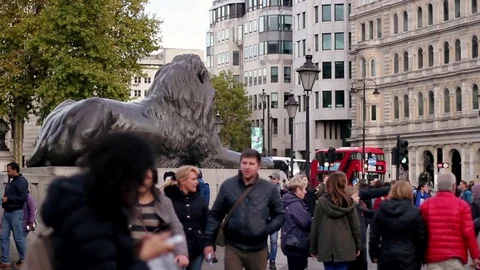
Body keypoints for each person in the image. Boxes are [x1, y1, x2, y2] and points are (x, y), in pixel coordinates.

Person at [40, 132, 175, 269]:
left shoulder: (94, 204)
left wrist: (134, 250)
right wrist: (144, 256)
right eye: (140, 176)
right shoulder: (92, 217)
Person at [203, 149, 285, 270]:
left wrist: (266, 229)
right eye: (244, 163)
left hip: (258, 247)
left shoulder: (269, 189)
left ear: (258, 166)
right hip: (234, 245)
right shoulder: (228, 186)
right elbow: (215, 215)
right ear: (240, 163)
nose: (247, 167)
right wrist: (209, 242)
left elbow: (280, 214)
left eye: (251, 164)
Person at [131, 168, 189, 268]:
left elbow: (177, 228)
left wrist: (182, 253)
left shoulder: (163, 201)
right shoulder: (121, 200)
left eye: (147, 177)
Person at [420, 172, 480, 269]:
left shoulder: (425, 205)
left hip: (433, 258)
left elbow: (421, 233)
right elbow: (468, 233)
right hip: (455, 257)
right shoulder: (463, 206)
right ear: (453, 186)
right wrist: (475, 256)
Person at [369, 180, 426, 270]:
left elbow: (374, 235)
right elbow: (421, 238)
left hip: (386, 255)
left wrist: (374, 254)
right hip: (410, 256)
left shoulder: (381, 210)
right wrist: (422, 256)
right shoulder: (415, 212)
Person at [310, 171, 361, 270]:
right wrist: (358, 246)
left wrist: (313, 247)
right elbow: (355, 227)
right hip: (345, 244)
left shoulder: (322, 202)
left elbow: (315, 226)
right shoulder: (349, 202)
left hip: (325, 244)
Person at [164, 166, 209, 270]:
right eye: (193, 179)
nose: (197, 182)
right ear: (182, 181)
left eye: (196, 178)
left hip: (197, 248)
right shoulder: (168, 199)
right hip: (175, 250)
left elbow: (206, 223)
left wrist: (208, 243)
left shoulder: (200, 199)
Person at [0, 162, 29, 269]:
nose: (8, 173)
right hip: (7, 213)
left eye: (9, 171)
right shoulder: (10, 181)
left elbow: (24, 198)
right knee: (3, 237)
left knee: (18, 238)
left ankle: (24, 260)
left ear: (15, 170)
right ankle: (5, 261)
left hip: (16, 213)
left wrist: (9, 199)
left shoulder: (21, 181)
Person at [280, 175, 311, 270]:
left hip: (291, 242)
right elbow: (306, 222)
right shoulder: (295, 204)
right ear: (298, 190)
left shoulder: (289, 201)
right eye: (304, 189)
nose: (306, 192)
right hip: (297, 243)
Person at [345, 186, 375, 270]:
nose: (358, 197)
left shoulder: (357, 207)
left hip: (361, 245)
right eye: (355, 196)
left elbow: (369, 213)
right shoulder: (348, 210)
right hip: (353, 246)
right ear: (349, 197)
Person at [267, 172, 283, 270]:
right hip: (265, 218)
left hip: (274, 219)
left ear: (278, 180)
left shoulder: (281, 191)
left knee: (273, 241)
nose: (271, 180)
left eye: (273, 179)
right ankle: (267, 255)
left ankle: (272, 261)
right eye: (271, 178)